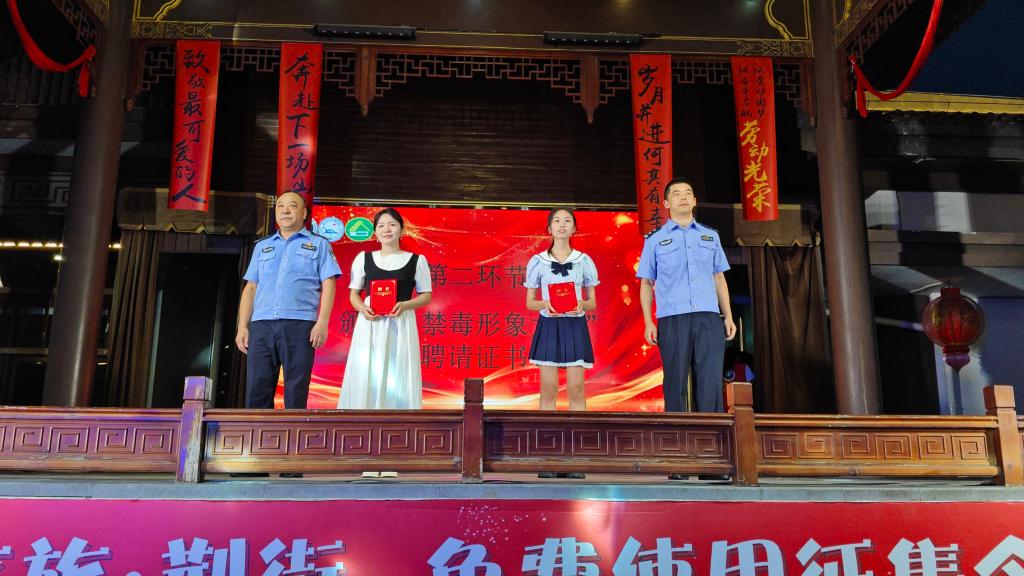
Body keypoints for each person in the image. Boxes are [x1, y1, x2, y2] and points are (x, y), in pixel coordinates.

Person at [338, 208, 432, 477]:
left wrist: (405, 305)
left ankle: (393, 455)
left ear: (402, 229)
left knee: (397, 381)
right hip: (370, 326)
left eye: (392, 225)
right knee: (368, 378)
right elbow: (354, 294)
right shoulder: (363, 258)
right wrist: (362, 308)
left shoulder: (416, 260)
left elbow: (426, 295)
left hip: (400, 325)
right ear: (375, 232)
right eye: (381, 226)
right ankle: (364, 454)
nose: (387, 229)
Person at [637, 177, 737, 415]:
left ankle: (711, 433)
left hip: (708, 316)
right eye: (676, 194)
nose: (683, 197)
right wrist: (648, 321)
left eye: (687, 193)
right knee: (675, 381)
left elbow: (719, 278)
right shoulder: (654, 240)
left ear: (694, 201)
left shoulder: (710, 236)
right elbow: (646, 283)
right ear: (666, 203)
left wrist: (728, 316)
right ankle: (676, 433)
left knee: (710, 381)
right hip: (672, 318)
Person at [236, 191, 340, 411]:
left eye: (292, 206)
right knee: (257, 388)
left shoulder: (319, 244)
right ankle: (258, 433)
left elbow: (329, 284)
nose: (285, 210)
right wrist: (242, 326)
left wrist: (322, 322)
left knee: (296, 390)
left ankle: (294, 434)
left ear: (304, 213)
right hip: (261, 325)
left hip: (300, 325)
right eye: (280, 205)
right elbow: (251, 287)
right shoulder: (262, 246)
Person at [524, 208, 598, 479]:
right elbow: (530, 303)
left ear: (574, 228)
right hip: (549, 326)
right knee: (548, 390)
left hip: (575, 325)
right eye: (557, 221)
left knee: (577, 391)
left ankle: (576, 458)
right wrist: (545, 303)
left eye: (567, 221)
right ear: (549, 228)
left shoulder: (584, 260)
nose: (562, 225)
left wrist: (581, 304)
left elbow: (592, 302)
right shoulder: (538, 261)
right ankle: (548, 456)